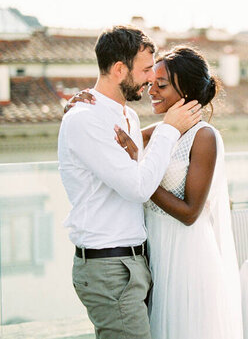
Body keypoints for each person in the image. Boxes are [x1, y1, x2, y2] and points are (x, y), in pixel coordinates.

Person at [67, 46, 243, 339]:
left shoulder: (204, 137)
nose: (151, 91)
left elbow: (189, 213)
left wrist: (139, 171)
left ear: (185, 90)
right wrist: (83, 103)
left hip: (187, 259)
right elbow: (109, 133)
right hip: (155, 256)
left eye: (161, 85)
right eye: (151, 83)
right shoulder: (161, 130)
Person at [58, 26, 202, 339]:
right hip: (109, 267)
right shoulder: (84, 119)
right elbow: (138, 187)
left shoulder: (127, 117)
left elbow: (136, 164)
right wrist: (169, 129)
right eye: (147, 69)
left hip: (132, 262)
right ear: (120, 69)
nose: (152, 78)